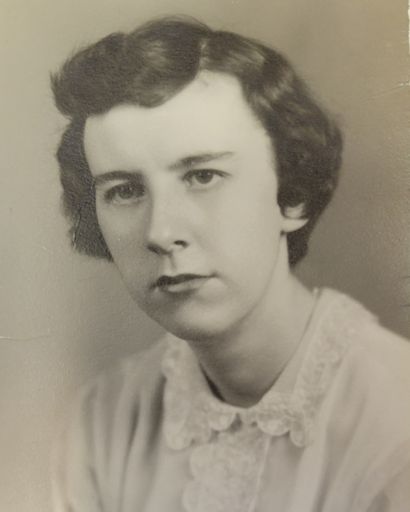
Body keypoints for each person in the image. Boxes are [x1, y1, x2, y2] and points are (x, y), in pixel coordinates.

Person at [51, 17, 410, 512]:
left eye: (203, 176)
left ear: (292, 195)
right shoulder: (103, 423)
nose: (160, 232)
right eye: (125, 190)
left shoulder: (396, 422)